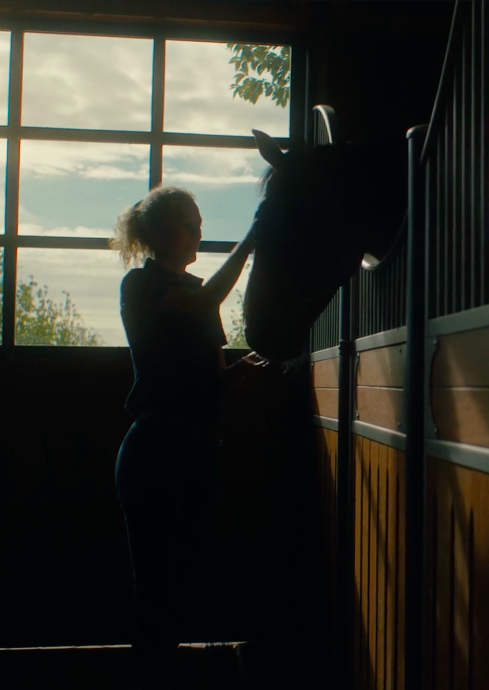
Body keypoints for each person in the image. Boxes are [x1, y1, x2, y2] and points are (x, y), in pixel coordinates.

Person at [111, 185, 261, 690]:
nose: (199, 231)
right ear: (160, 232)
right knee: (156, 584)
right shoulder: (142, 285)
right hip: (155, 450)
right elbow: (201, 304)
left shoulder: (196, 294)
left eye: (199, 223)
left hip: (195, 450)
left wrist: (251, 368)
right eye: (189, 223)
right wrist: (250, 242)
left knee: (178, 580)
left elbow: (214, 380)